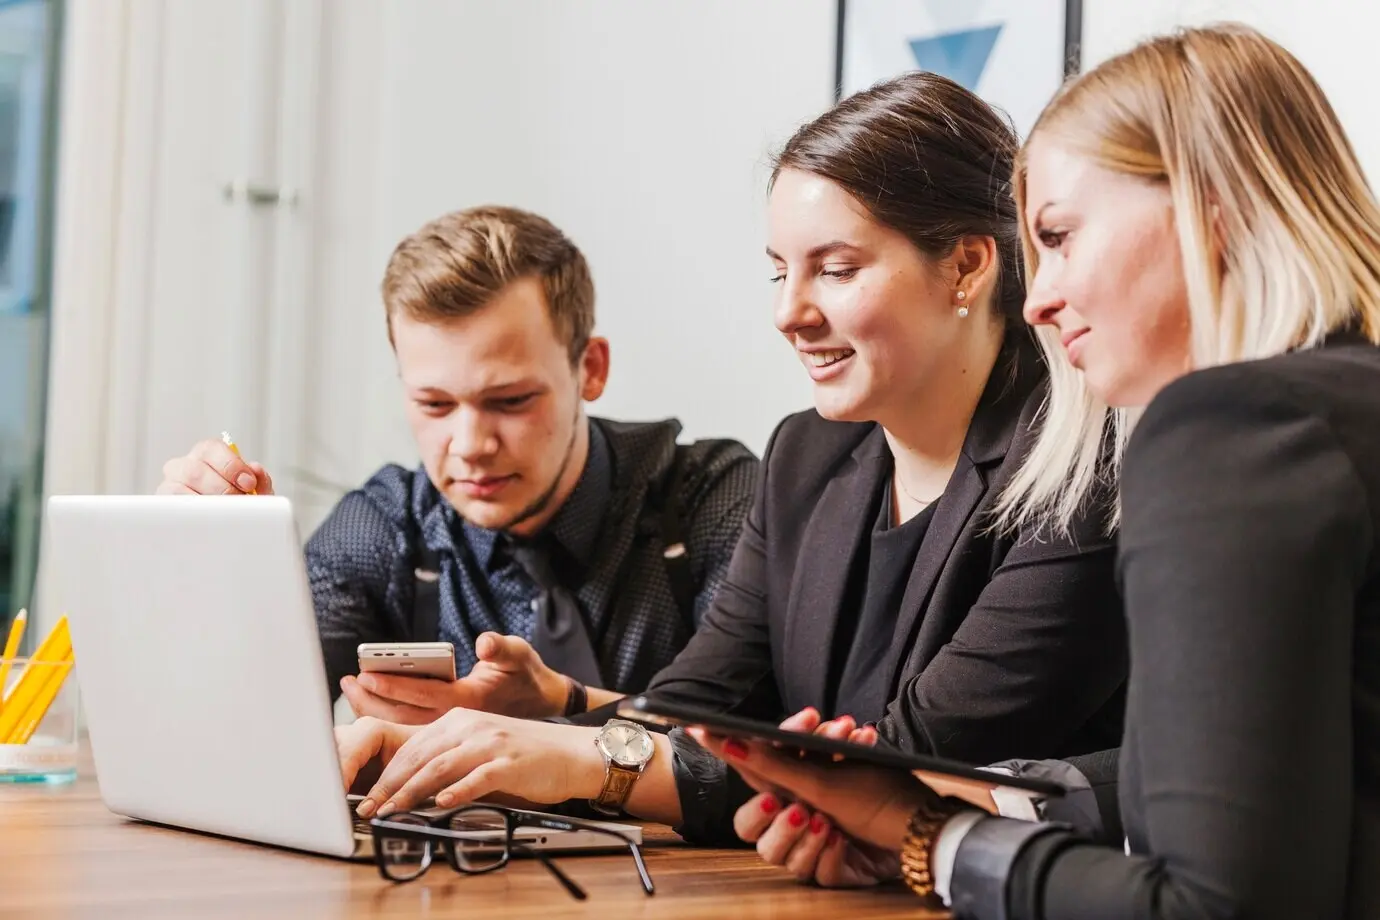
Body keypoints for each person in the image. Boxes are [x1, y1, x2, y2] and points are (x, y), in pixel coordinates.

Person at [331, 72, 1128, 845]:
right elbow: (699, 708)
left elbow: (896, 767)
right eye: (780, 272)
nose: (789, 312)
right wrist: (544, 725)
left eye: (836, 270)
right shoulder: (807, 455)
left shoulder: (1083, 469)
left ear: (965, 264)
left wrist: (573, 758)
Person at [702, 23, 1380, 919]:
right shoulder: (1340, 410)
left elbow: (1218, 904)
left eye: (1058, 237)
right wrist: (975, 804)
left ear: (1211, 208)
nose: (1042, 298)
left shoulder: (1224, 429)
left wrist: (928, 840)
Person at [156, 206, 759, 721]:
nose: (469, 444)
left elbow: (766, 738)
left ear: (590, 370)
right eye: (434, 404)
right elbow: (243, 717)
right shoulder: (385, 527)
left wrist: (563, 707)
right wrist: (209, 576)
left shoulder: (711, 501)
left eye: (510, 401)